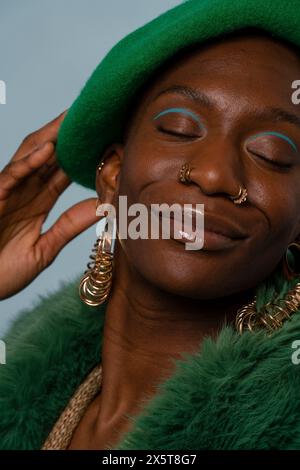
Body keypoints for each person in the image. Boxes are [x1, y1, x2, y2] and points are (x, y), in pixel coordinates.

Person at [1, 0, 300, 451]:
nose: (214, 175)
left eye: (271, 154)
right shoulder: (23, 384)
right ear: (113, 175)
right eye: (179, 129)